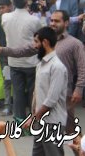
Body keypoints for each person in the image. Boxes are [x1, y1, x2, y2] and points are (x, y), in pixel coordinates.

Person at [0, 10, 85, 135]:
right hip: (42, 94)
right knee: (44, 132)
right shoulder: (44, 41)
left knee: (70, 131)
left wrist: (79, 89)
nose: (53, 23)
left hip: (63, 95)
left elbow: (83, 68)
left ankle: (83, 152)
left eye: (57, 21)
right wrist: (3, 50)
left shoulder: (75, 44)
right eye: (52, 20)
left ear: (66, 23)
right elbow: (23, 51)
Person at [23, 26, 68, 156]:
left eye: (37, 42)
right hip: (40, 121)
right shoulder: (40, 65)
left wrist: (33, 118)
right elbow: (37, 95)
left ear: (45, 42)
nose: (34, 45)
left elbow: (51, 100)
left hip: (52, 123)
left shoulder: (57, 67)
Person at [1, 0, 41, 120]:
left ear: (12, 2)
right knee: (32, 94)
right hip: (30, 62)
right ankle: (34, 121)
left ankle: (19, 122)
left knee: (17, 93)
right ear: (26, 2)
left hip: (13, 61)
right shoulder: (34, 20)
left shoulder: (5, 17)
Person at [0, 0, 13, 116]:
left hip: (17, 56)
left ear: (10, 6)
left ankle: (20, 105)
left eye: (3, 7)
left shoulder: (15, 21)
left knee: (18, 82)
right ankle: (8, 106)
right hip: (4, 58)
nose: (2, 10)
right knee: (7, 81)